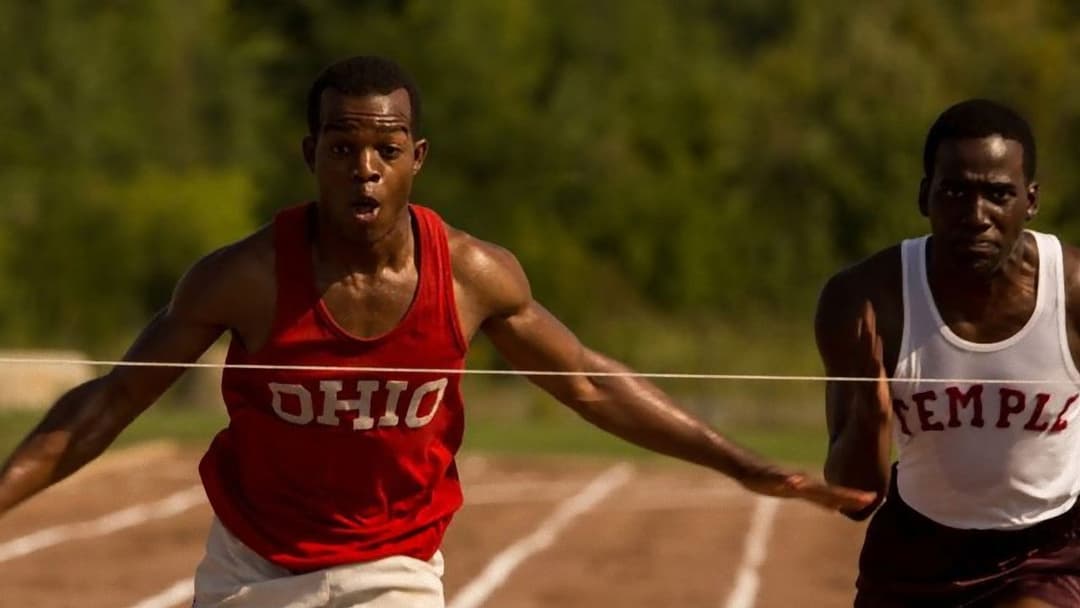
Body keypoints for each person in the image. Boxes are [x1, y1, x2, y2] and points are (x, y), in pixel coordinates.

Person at [0, 55, 872, 608]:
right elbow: (110, 400)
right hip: (253, 564)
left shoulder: (471, 276)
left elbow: (591, 382)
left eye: (386, 148)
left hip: (397, 568)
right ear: (309, 156)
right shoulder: (246, 276)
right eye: (343, 148)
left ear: (419, 156)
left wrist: (745, 464)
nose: (365, 170)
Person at [817, 98, 1080, 607]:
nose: (975, 216)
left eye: (998, 194)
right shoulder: (868, 300)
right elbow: (855, 499)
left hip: (1045, 549)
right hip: (918, 551)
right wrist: (872, 417)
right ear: (925, 196)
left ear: (1031, 201)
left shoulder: (1072, 293)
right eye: (955, 191)